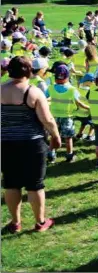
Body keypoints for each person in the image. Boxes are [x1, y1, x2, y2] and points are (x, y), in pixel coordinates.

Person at [1, 56, 61, 234]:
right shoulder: (33, 92)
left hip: (5, 143)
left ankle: (15, 222)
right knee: (35, 184)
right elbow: (48, 119)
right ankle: (40, 222)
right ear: (29, 71)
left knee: (11, 183)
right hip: (32, 143)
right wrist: (56, 136)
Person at [47, 63, 90, 163]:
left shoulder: (50, 88)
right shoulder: (72, 90)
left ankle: (51, 154)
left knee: (54, 136)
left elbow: (44, 98)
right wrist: (89, 108)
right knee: (68, 138)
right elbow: (79, 103)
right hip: (67, 117)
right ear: (67, 77)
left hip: (54, 117)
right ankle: (69, 155)